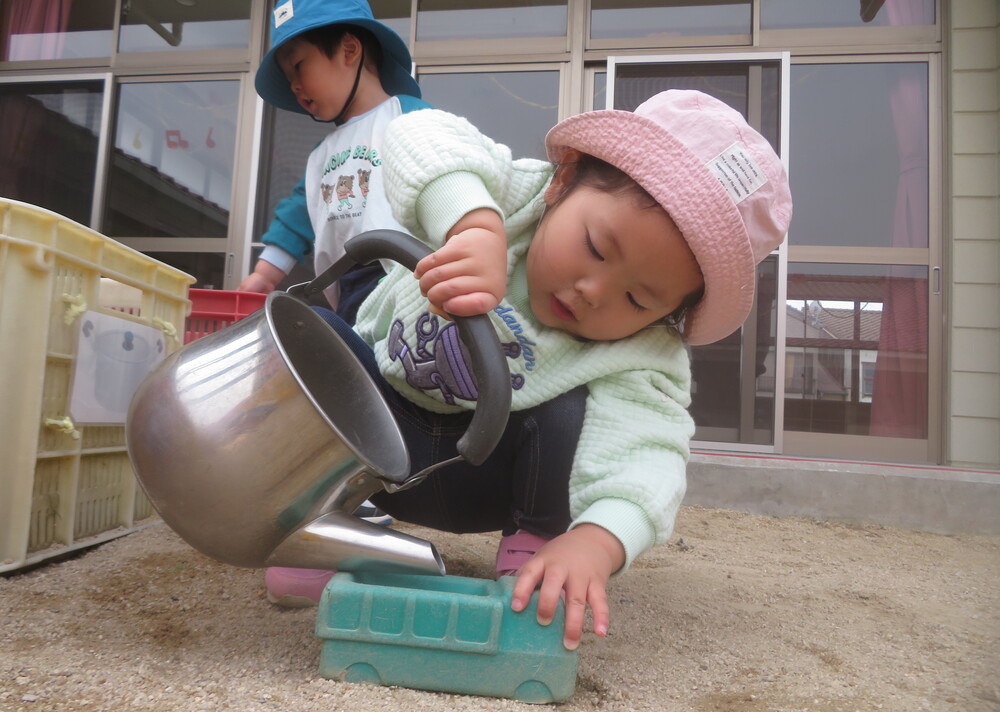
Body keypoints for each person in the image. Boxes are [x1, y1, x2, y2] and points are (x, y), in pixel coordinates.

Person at [308, 89, 792, 650]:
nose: (593, 292)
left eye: (637, 299)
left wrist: (598, 538)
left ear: (667, 315)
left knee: (570, 410)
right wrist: (473, 225)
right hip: (375, 437)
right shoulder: (520, 201)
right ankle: (329, 527)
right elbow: (418, 137)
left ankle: (533, 553)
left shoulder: (643, 352)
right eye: (595, 247)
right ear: (562, 186)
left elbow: (649, 453)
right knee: (321, 341)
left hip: (484, 478)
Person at [246, 0, 433, 605]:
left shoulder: (410, 120)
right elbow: (297, 219)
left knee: (390, 406)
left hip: (406, 283)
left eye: (301, 65)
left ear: (350, 51)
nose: (296, 85)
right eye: (289, 74)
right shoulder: (319, 156)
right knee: (336, 409)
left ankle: (370, 517)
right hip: (347, 293)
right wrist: (261, 277)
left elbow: (456, 177)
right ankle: (351, 523)